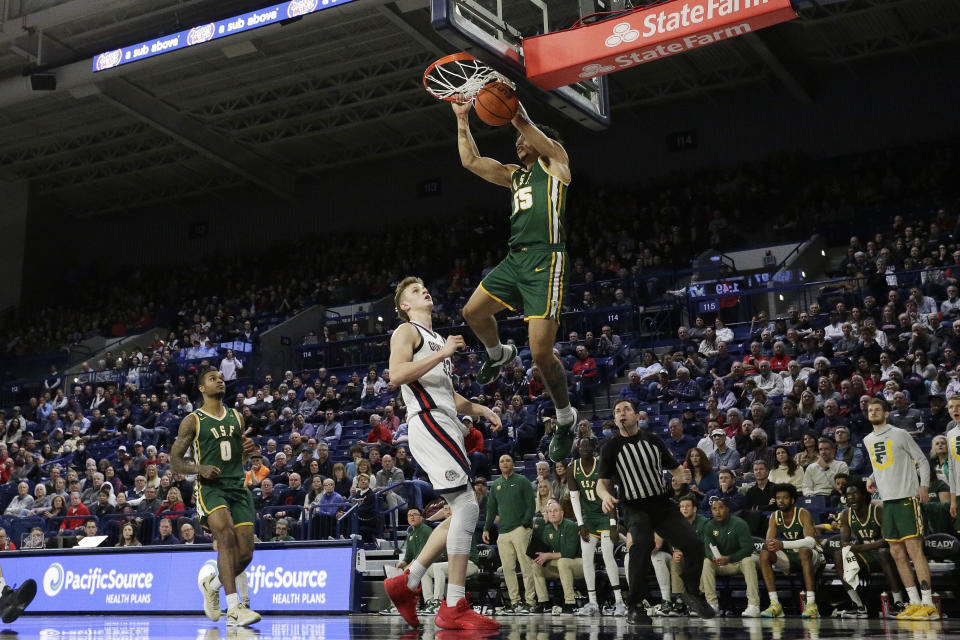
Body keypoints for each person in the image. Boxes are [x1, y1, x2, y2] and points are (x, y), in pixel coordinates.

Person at [452, 99, 579, 463]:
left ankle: (566, 417)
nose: (517, 143)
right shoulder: (514, 175)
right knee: (473, 312)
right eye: (517, 140)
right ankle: (498, 353)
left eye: (524, 140)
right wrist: (463, 119)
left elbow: (525, 124)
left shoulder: (556, 163)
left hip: (547, 258)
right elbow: (471, 161)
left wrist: (512, 105)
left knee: (540, 354)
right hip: (515, 258)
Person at [382, 277, 500, 630]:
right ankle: (453, 605)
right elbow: (396, 374)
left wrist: (480, 409)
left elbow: (449, 395)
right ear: (405, 306)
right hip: (428, 423)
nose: (424, 292)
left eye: (424, 288)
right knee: (467, 506)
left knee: (459, 514)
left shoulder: (435, 340)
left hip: (446, 421)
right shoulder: (406, 332)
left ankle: (409, 580)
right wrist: (444, 353)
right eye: (415, 292)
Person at [596, 399, 715, 625]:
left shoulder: (653, 440)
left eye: (626, 409)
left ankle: (691, 591)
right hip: (635, 506)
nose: (622, 413)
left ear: (636, 416)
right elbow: (601, 483)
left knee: (694, 544)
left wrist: (682, 476)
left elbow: (675, 469)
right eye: (617, 411)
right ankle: (635, 605)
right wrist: (605, 497)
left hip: (662, 504)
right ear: (615, 420)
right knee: (641, 545)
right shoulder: (610, 447)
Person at [169, 367, 259, 627]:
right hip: (211, 487)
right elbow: (175, 462)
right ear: (201, 388)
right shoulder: (193, 420)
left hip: (237, 487)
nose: (219, 381)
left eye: (221, 378)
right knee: (226, 536)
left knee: (246, 555)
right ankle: (234, 608)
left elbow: (237, 456)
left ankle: (212, 585)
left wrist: (248, 451)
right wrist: (199, 469)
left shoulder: (236, 417)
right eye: (212, 379)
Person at [862, 397, 938, 620]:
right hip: (887, 502)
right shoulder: (867, 439)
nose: (873, 412)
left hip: (907, 498)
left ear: (886, 413)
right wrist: (871, 477)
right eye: (870, 410)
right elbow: (881, 462)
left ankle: (928, 603)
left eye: (877, 409)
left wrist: (924, 486)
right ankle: (913, 602)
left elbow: (922, 461)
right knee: (896, 552)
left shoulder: (900, 433)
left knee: (914, 550)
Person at [566, 436, 626, 616]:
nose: (585, 449)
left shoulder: (602, 465)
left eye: (589, 446)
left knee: (608, 556)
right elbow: (574, 499)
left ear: (594, 447)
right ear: (578, 447)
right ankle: (592, 603)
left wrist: (614, 524)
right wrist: (580, 523)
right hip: (588, 518)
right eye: (582, 446)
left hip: (605, 514)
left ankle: (619, 602)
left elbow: (612, 494)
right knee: (586, 557)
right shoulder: (572, 468)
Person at [832, 480, 904, 618]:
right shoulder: (846, 514)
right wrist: (847, 546)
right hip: (864, 556)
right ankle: (857, 605)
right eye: (848, 495)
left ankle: (898, 602)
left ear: (864, 495)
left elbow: (886, 541)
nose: (851, 497)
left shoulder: (878, 511)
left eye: (855, 493)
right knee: (839, 555)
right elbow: (844, 542)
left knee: (883, 552)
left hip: (886, 555)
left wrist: (859, 547)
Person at [759, 483, 823, 618]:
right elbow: (769, 542)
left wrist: (782, 544)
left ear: (793, 500)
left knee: (804, 551)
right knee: (765, 554)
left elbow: (811, 542)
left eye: (785, 498)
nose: (781, 501)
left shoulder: (803, 513)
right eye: (778, 498)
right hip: (790, 556)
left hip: (813, 555)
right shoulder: (774, 516)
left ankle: (811, 605)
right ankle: (775, 604)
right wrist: (770, 545)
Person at [700, 499, 761, 617]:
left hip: (739, 562)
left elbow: (748, 549)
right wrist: (713, 557)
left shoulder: (739, 523)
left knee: (748, 561)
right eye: (714, 509)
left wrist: (729, 558)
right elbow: (707, 549)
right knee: (707, 562)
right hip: (722, 563)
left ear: (727, 509)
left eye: (721, 508)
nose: (718, 512)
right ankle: (712, 605)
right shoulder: (708, 526)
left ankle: (754, 605)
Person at [529, 500, 583, 613]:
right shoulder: (547, 529)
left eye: (555, 511)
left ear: (562, 513)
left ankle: (570, 603)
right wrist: (539, 555)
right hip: (559, 565)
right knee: (536, 564)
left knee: (563, 561)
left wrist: (548, 555)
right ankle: (543, 603)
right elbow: (544, 550)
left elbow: (570, 553)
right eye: (549, 511)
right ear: (547, 515)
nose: (552, 513)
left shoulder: (570, 526)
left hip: (578, 564)